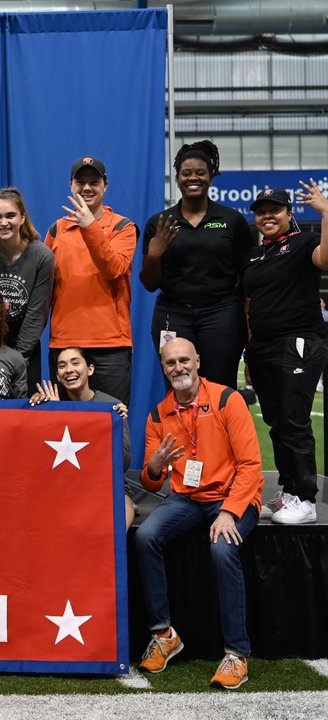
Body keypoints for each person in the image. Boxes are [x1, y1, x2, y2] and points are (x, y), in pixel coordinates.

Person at [135, 337, 262, 689]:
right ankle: (164, 633)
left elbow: (251, 466)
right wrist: (156, 466)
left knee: (222, 547)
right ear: (163, 368)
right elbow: (149, 482)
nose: (179, 368)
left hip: (232, 496)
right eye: (171, 362)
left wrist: (230, 512)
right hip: (187, 499)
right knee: (146, 536)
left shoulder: (226, 399)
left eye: (184, 360)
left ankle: (236, 654)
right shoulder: (158, 414)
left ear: (198, 361)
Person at [244, 184, 328, 524]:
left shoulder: (304, 242)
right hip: (262, 347)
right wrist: (249, 353)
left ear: (289, 213)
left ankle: (306, 499)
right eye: (262, 211)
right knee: (277, 423)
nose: (267, 215)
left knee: (293, 421)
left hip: (298, 342)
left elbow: (325, 259)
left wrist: (325, 212)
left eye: (275, 209)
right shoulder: (254, 255)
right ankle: (290, 491)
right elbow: (249, 306)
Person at [141, 140, 253, 387]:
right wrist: (155, 254)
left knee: (219, 386)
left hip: (221, 315)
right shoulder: (159, 223)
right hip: (173, 314)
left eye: (200, 172)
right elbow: (149, 284)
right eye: (186, 173)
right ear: (178, 178)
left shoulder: (231, 220)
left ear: (211, 177)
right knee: (179, 385)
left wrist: (249, 328)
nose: (193, 178)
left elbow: (248, 280)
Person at [44, 156, 137, 405]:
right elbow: (45, 288)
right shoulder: (56, 230)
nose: (87, 188)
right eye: (80, 182)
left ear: (105, 185)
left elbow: (114, 268)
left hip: (110, 345)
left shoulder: (123, 227)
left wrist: (90, 227)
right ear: (70, 186)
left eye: (94, 182)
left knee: (113, 424)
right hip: (65, 343)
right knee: (66, 429)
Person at [30, 347, 135, 528]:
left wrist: (115, 428)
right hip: (65, 488)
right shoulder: (52, 405)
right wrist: (51, 415)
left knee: (118, 524)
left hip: (107, 488)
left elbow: (124, 464)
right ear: (57, 375)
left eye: (75, 363)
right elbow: (40, 461)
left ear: (90, 369)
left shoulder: (111, 407)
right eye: (62, 366)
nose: (69, 369)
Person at [0, 188, 53, 386]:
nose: (4, 223)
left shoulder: (42, 255)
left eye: (10, 216)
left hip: (25, 347)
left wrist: (17, 360)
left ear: (22, 218)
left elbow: (37, 314)